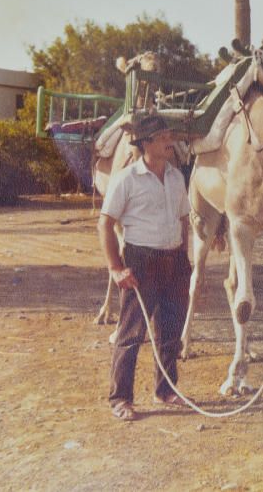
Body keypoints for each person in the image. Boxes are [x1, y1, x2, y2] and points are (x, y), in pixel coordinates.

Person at [98, 114, 192, 422]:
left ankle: (165, 390)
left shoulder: (177, 177)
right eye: (164, 137)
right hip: (142, 261)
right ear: (146, 143)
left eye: (169, 136)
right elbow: (106, 223)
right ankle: (120, 398)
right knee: (131, 332)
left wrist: (184, 257)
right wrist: (115, 267)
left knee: (170, 330)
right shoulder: (126, 179)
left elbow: (183, 220)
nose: (170, 142)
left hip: (174, 261)